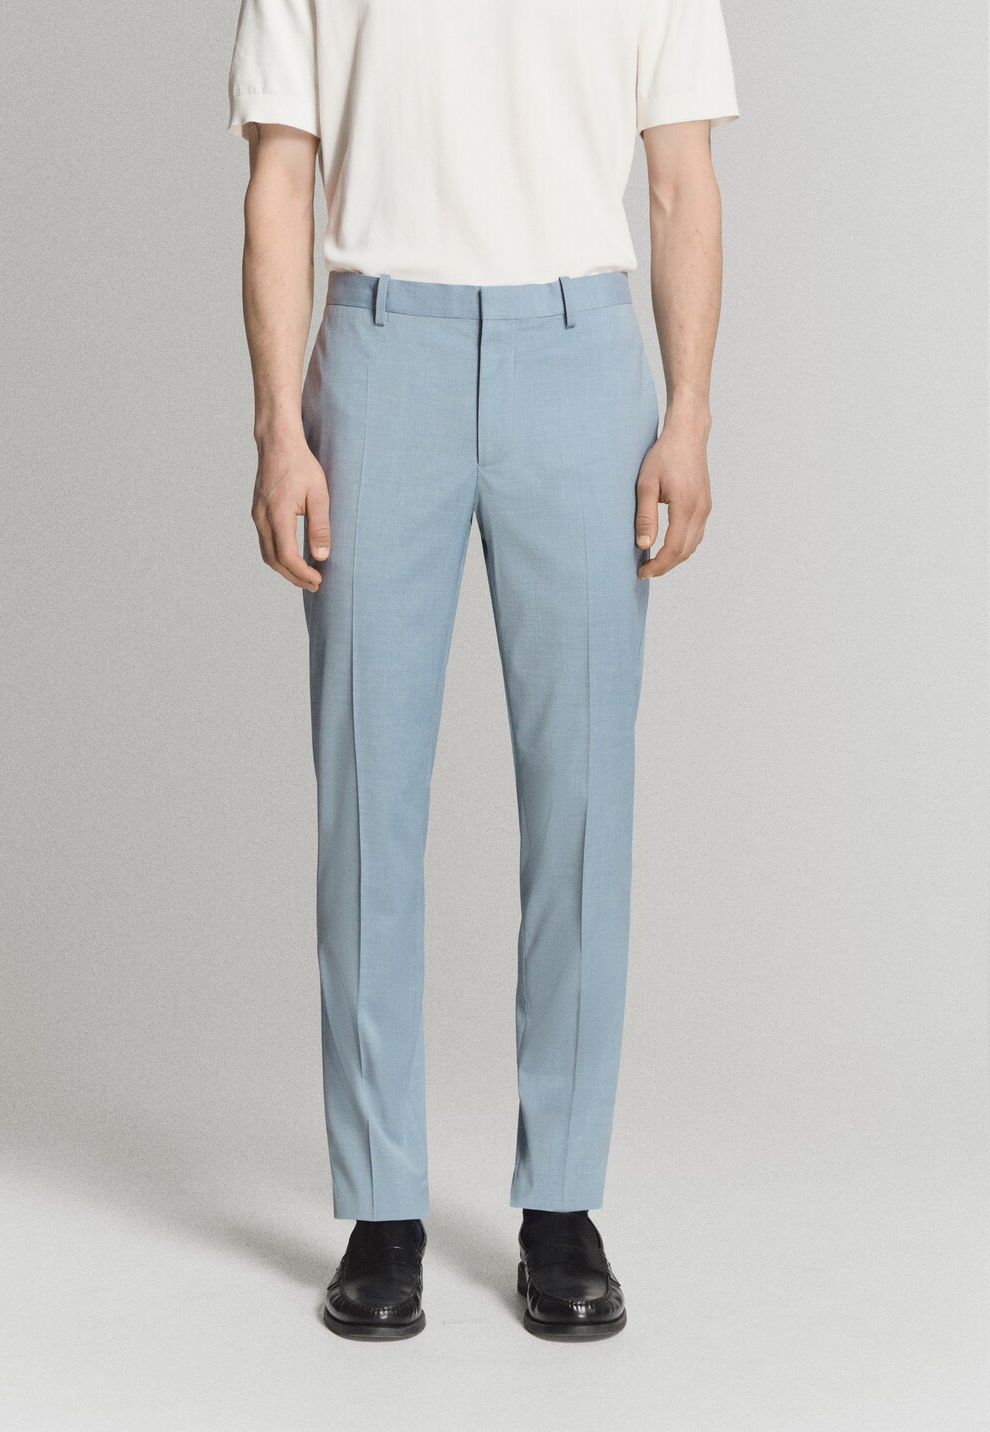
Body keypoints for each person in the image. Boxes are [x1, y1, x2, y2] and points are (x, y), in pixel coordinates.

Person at [226, 0, 738, 1342]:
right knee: (365, 801)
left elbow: (681, 180)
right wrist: (278, 429)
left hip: (579, 351)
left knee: (583, 806)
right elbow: (279, 173)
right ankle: (380, 1206)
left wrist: (688, 414)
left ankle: (562, 1204)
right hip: (377, 344)